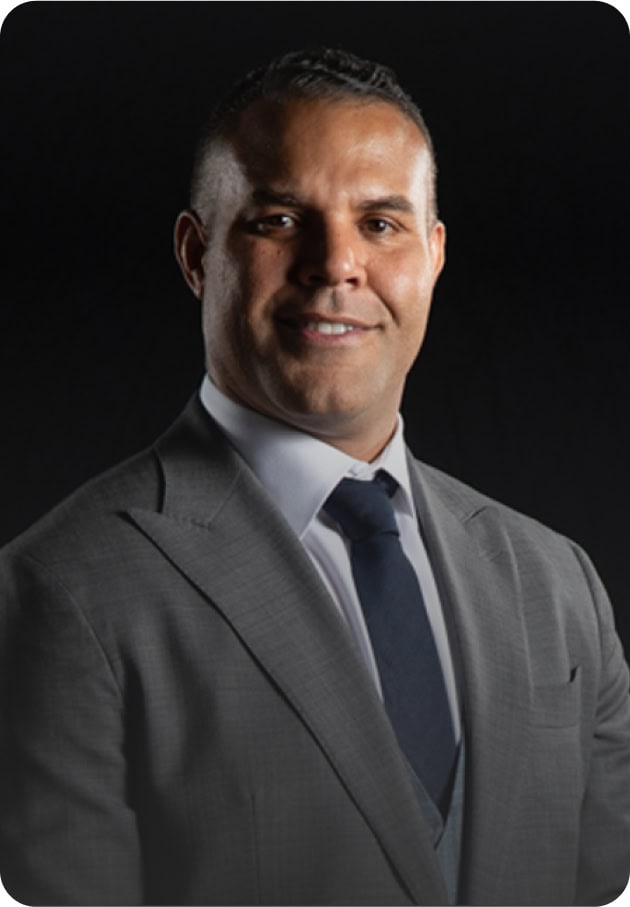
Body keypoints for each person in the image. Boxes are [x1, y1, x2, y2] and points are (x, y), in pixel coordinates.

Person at [1, 47, 629, 907]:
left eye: (380, 223)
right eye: (280, 219)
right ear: (196, 254)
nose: (336, 263)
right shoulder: (58, 593)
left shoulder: (560, 586)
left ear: (434, 256)